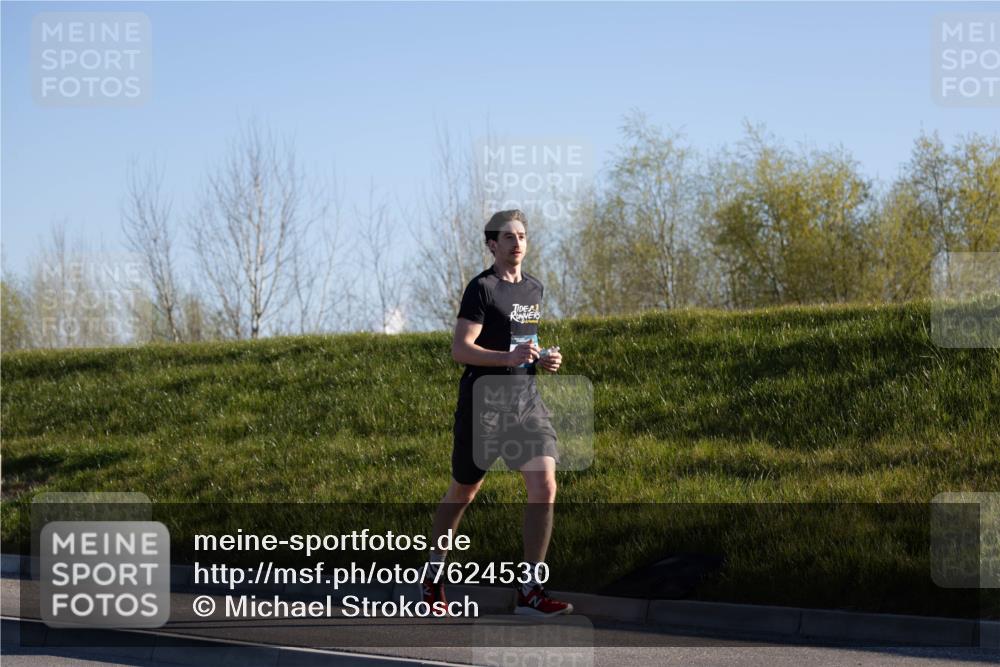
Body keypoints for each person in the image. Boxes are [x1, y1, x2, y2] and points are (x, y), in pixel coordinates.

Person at [421, 209, 573, 616]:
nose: (517, 242)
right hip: (484, 405)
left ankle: (530, 591)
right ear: (492, 245)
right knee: (463, 492)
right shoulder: (481, 288)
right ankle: (433, 575)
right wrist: (507, 358)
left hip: (526, 402)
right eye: (508, 237)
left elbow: (523, 341)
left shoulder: (534, 288)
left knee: (544, 486)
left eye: (521, 235)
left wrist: (542, 358)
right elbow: (461, 349)